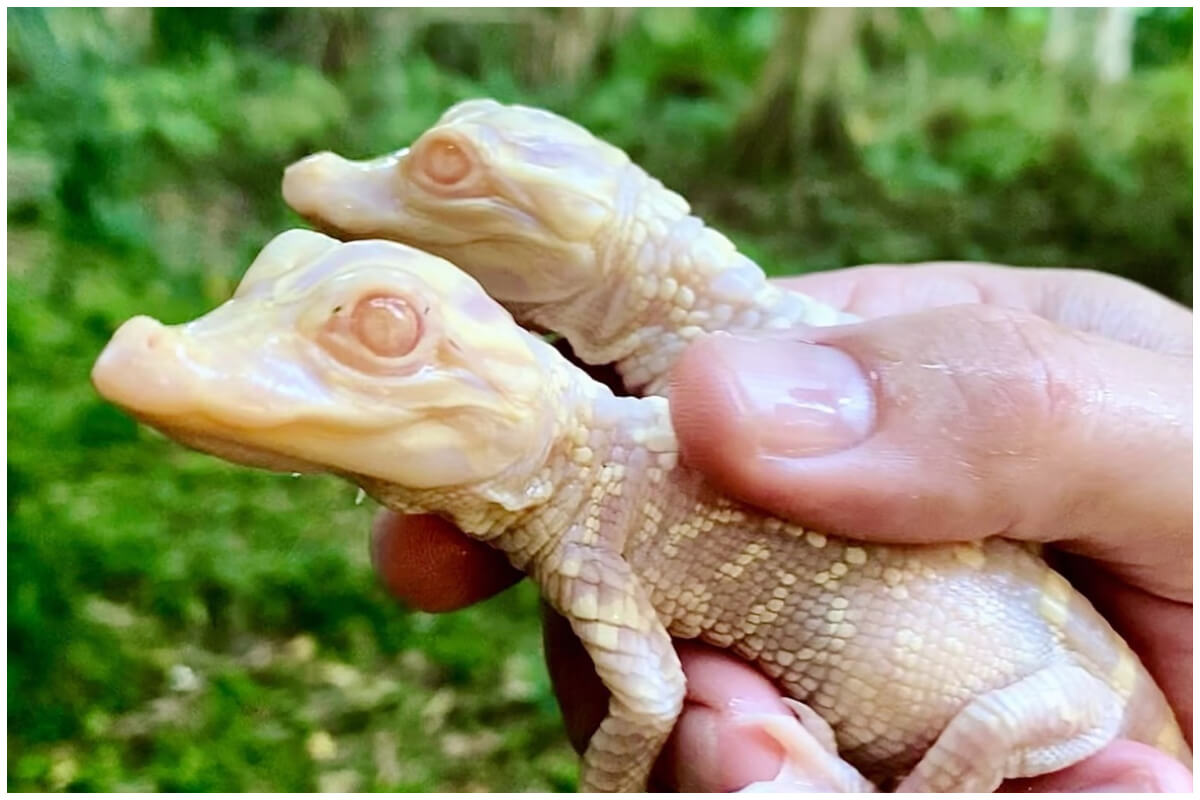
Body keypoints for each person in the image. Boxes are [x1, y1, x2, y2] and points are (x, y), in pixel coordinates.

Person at [369, 263, 1193, 792]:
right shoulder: (612, 476)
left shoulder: (614, 487)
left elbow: (652, 699)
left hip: (1047, 696)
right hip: (1042, 673)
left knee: (981, 726)